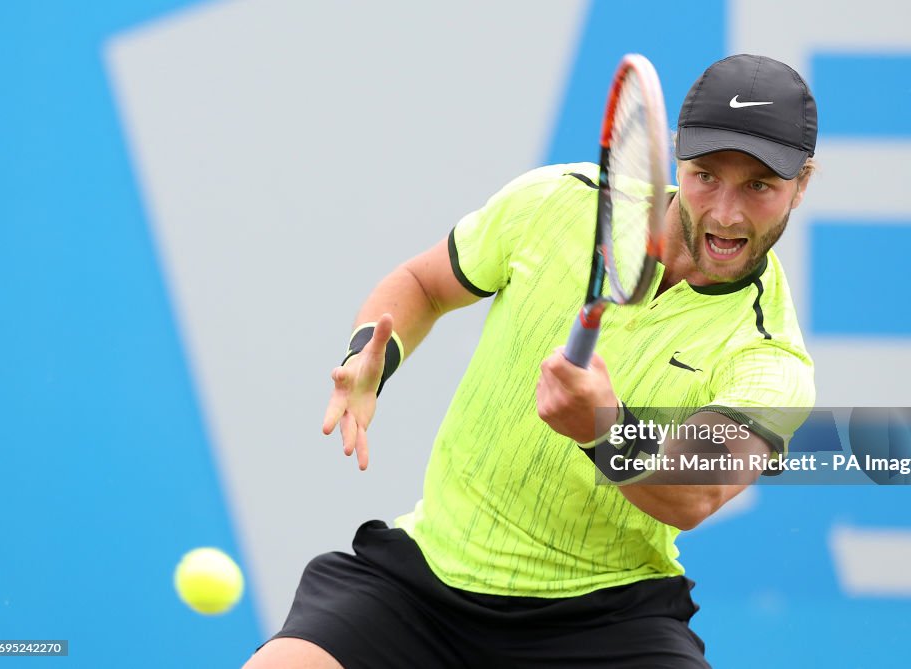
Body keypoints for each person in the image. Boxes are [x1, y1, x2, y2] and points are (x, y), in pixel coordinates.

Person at [244, 53, 818, 669]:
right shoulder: (554, 204)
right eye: (706, 175)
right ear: (675, 155)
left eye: (759, 185)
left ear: (802, 184)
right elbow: (424, 284)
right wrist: (370, 358)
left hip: (603, 619)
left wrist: (604, 430)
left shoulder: (771, 359)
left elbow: (693, 495)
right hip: (424, 583)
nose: (726, 213)